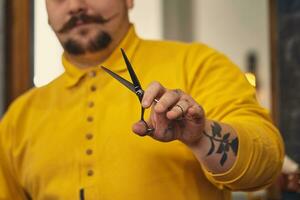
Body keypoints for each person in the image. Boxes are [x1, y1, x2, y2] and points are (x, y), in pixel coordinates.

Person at [0, 0, 284, 199]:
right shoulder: (19, 116)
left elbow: (268, 161)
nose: (75, 5)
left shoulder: (198, 64)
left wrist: (202, 136)